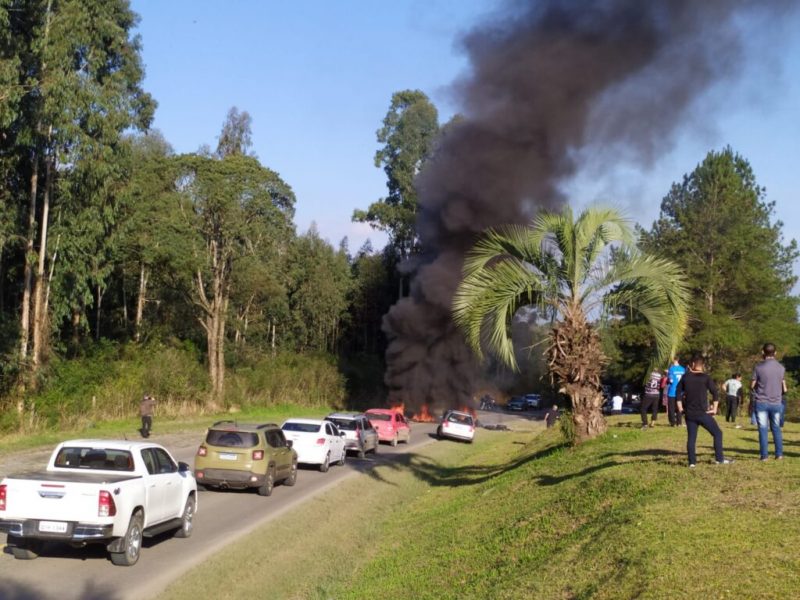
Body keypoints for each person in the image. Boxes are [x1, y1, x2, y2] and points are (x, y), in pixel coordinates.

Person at [676, 354, 732, 467]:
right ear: (703, 366)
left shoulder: (685, 377)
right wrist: (715, 408)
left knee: (691, 438)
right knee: (717, 433)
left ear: (692, 365)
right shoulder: (706, 378)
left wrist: (681, 409)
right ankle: (719, 459)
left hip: (689, 414)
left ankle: (692, 463)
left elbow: (677, 394)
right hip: (702, 413)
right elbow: (715, 393)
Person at [751, 343, 786, 461]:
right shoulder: (781, 368)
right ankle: (779, 454)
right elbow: (782, 385)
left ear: (763, 352)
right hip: (776, 402)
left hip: (761, 401)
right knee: (776, 428)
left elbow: (752, 385)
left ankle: (764, 456)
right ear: (775, 353)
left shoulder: (758, 367)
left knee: (763, 429)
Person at [667, 357, 686, 427]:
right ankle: (679, 422)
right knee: (679, 407)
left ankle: (673, 423)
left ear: (673, 360)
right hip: (680, 392)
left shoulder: (671, 369)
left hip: (672, 391)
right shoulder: (683, 369)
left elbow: (671, 380)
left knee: (671, 408)